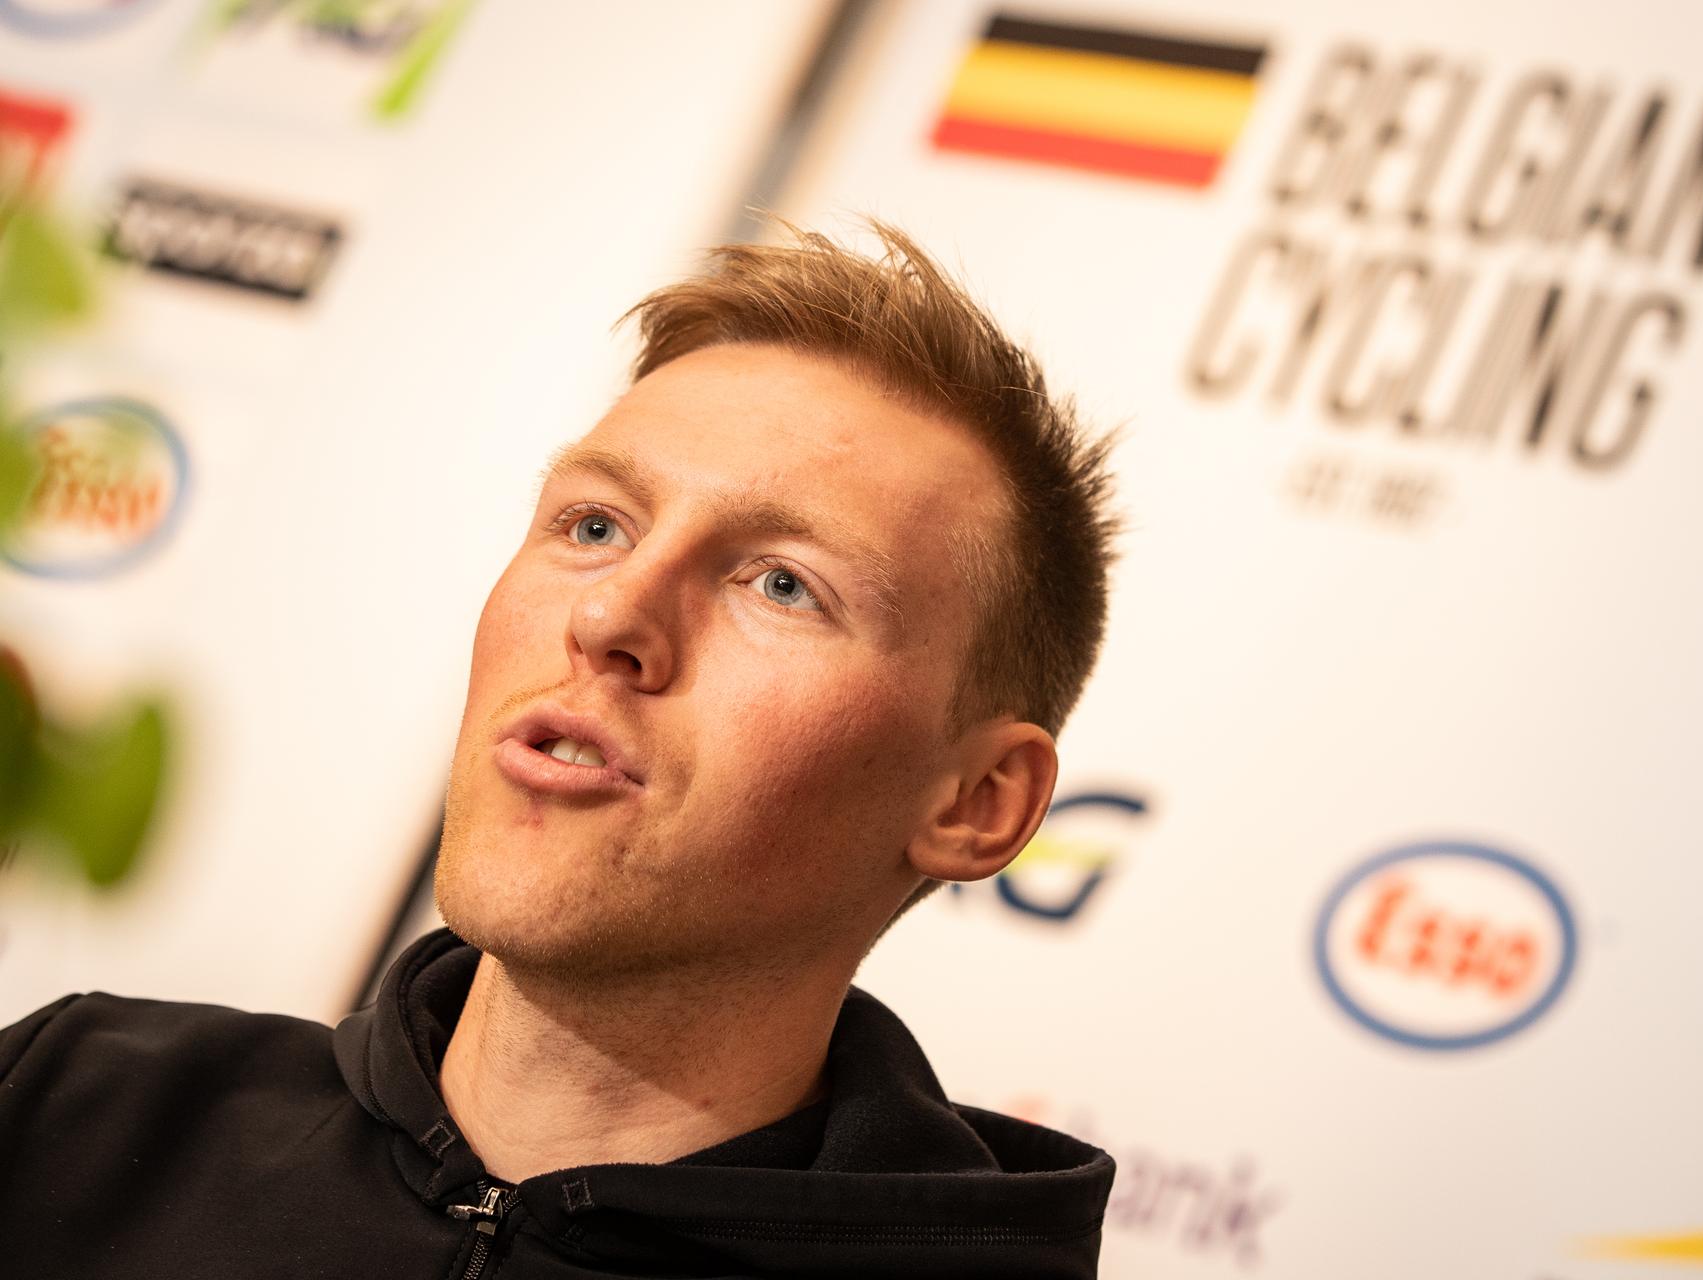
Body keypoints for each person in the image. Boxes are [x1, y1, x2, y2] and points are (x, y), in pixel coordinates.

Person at [0, 221, 1124, 1278]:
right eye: (594, 525)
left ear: (977, 801)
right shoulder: (66, 1103)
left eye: (783, 583)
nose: (608, 616)